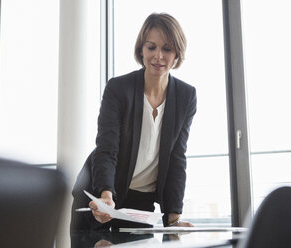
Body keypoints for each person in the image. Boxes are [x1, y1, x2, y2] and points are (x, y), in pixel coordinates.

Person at [70, 12, 197, 232]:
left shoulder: (186, 96)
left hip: (140, 202)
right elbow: (106, 148)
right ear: (141, 50)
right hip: (99, 193)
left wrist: (173, 218)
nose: (158, 55)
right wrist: (106, 197)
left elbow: (177, 158)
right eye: (151, 47)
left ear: (177, 53)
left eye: (166, 49)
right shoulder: (119, 89)